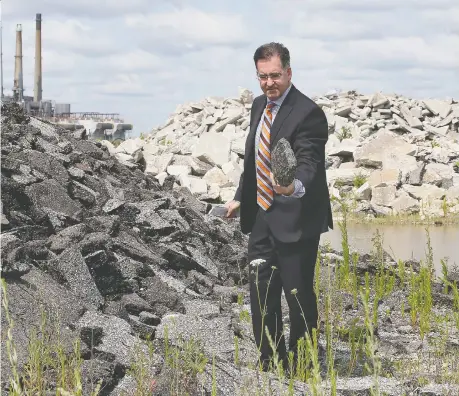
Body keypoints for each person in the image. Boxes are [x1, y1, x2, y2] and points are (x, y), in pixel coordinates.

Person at [225, 42, 333, 371]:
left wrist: (292, 186)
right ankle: (271, 363)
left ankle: (302, 366)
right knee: (262, 295)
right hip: (260, 217)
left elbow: (309, 161)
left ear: (288, 72)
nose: (269, 83)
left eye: (274, 76)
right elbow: (255, 158)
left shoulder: (308, 113)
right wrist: (240, 197)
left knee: (298, 297)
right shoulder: (259, 105)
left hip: (297, 219)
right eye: (262, 77)